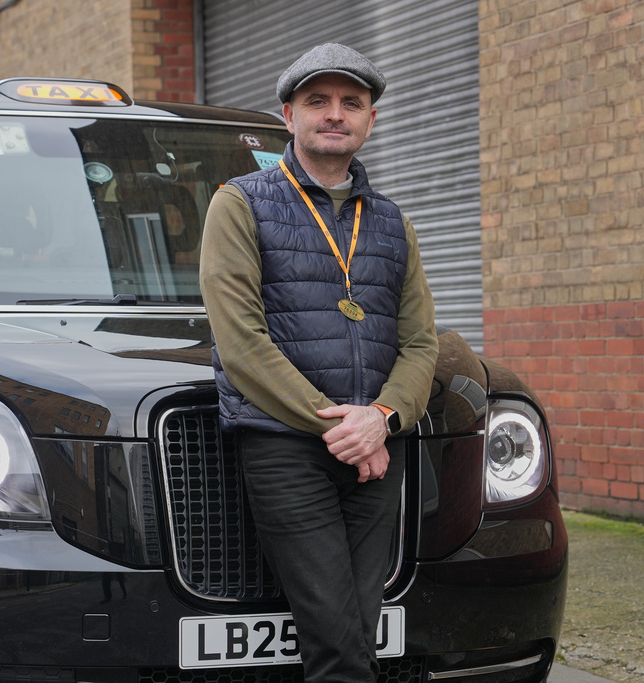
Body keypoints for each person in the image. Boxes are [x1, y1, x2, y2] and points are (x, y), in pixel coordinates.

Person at [199, 43, 439, 683]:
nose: (335, 114)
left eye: (351, 103)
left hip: (376, 450)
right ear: (289, 115)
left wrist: (382, 418)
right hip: (287, 448)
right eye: (318, 101)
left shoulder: (392, 222)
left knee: (358, 630)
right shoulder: (240, 203)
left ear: (370, 120)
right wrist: (346, 428)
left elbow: (421, 344)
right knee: (337, 641)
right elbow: (241, 343)